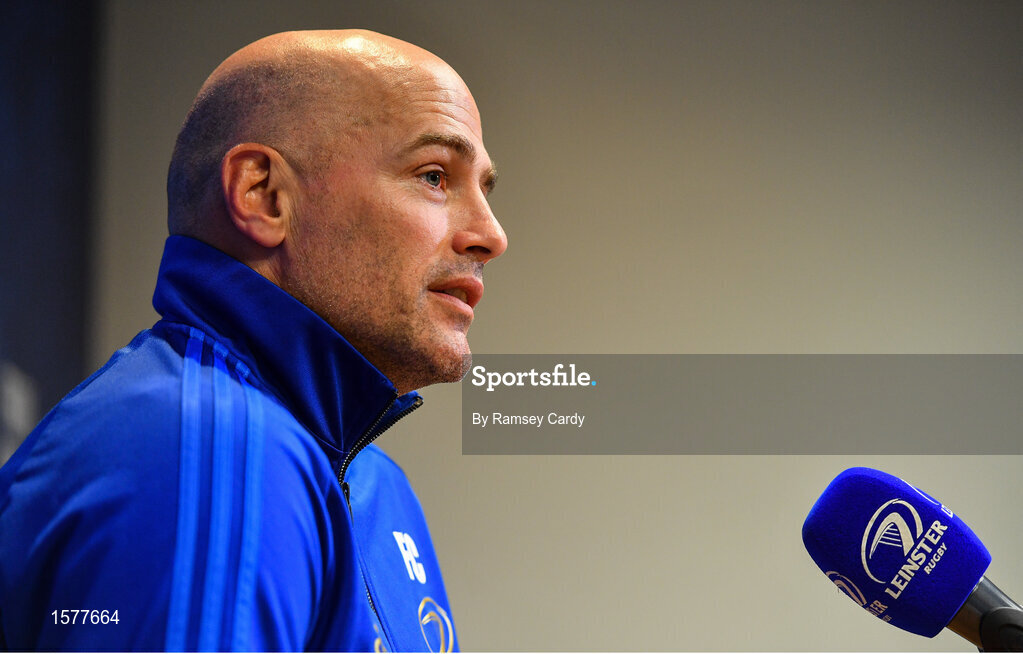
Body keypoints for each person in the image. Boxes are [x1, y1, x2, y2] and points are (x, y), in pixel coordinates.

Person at [0, 29, 506, 652]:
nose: (490, 233)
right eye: (434, 175)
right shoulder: (205, 443)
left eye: (485, 188)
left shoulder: (375, 485)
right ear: (263, 195)